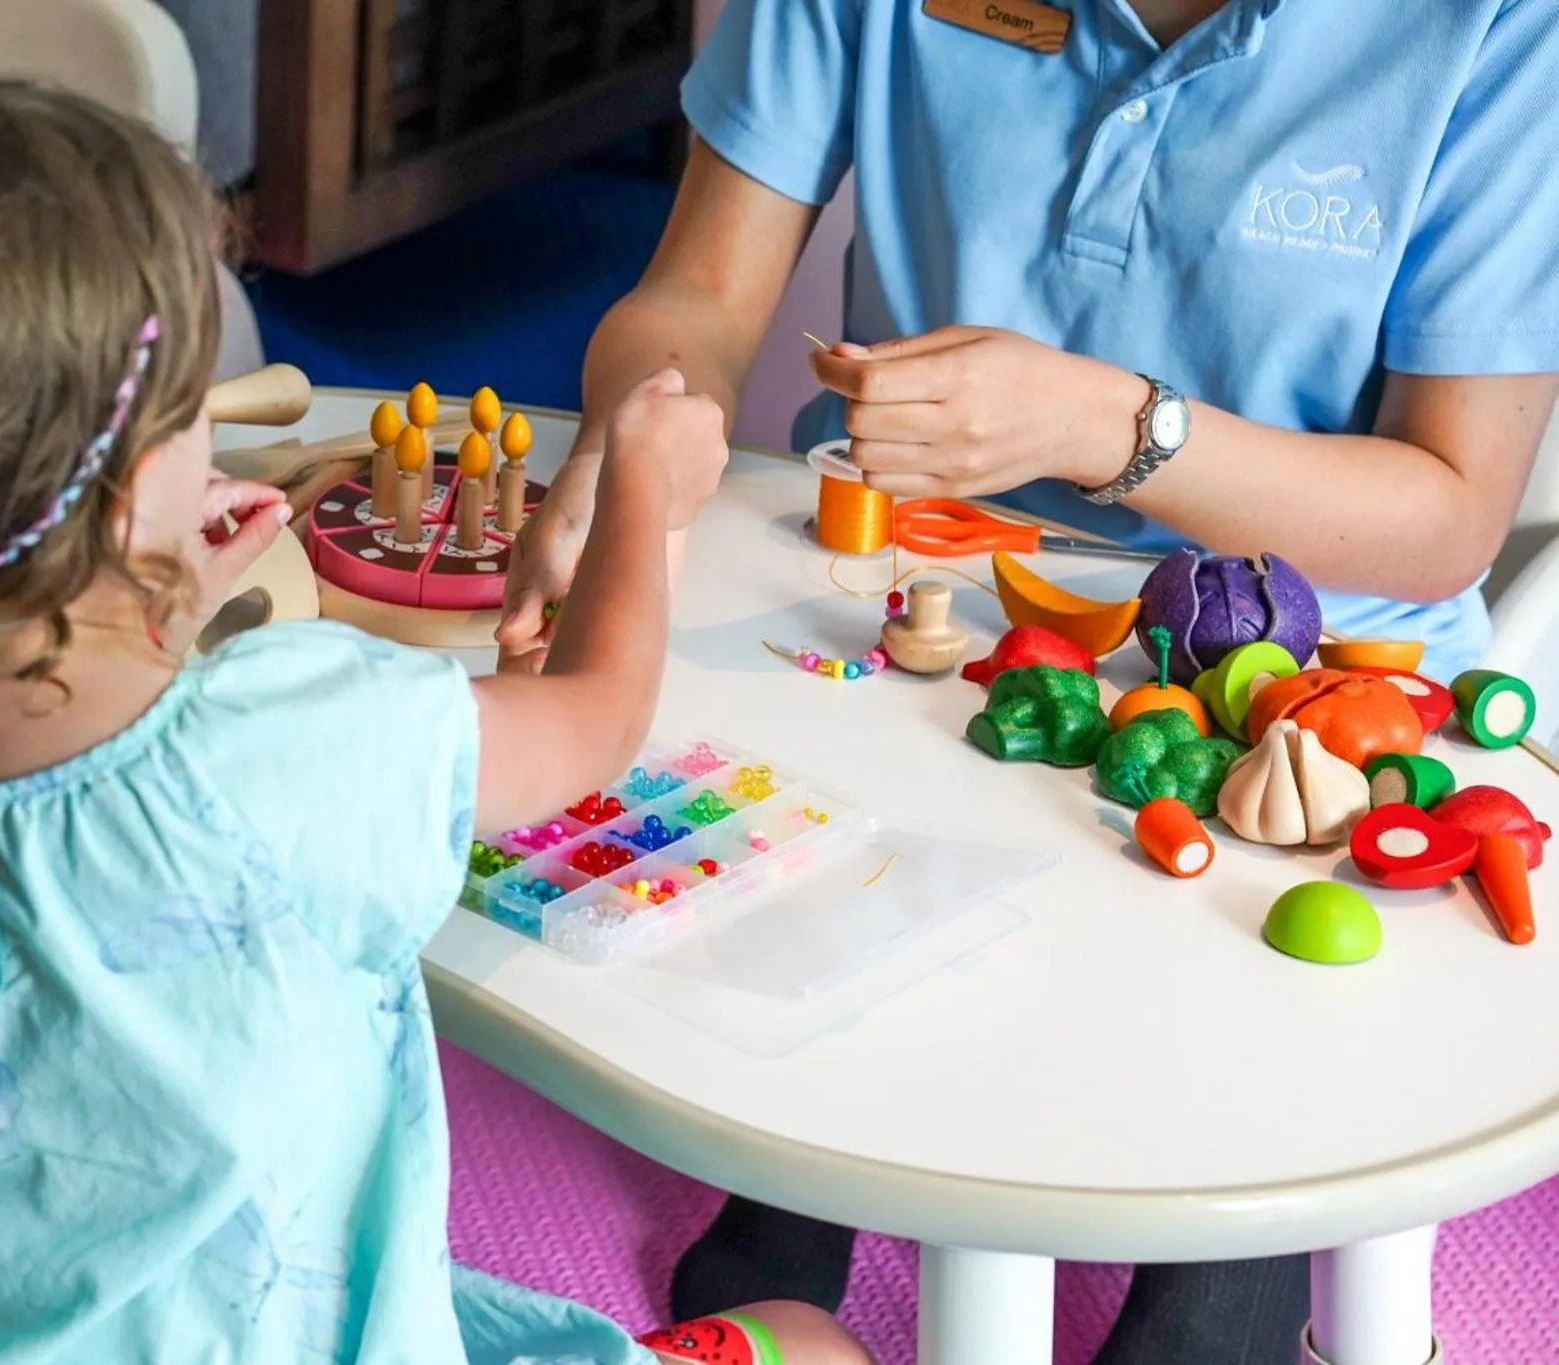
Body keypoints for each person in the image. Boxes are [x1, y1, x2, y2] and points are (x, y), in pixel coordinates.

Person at [0, 78, 869, 1365]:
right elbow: (588, 721)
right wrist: (637, 497)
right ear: (142, 471)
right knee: (812, 1340)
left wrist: (130, 613)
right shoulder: (285, 743)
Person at [497, 0, 1559, 1360]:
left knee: (1251, 953)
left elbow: (1447, 513)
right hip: (913, 586)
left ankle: (1222, 1226)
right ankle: (832, 1125)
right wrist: (631, 443)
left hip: (1314, 667)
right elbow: (698, 294)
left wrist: (1106, 426)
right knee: (795, 790)